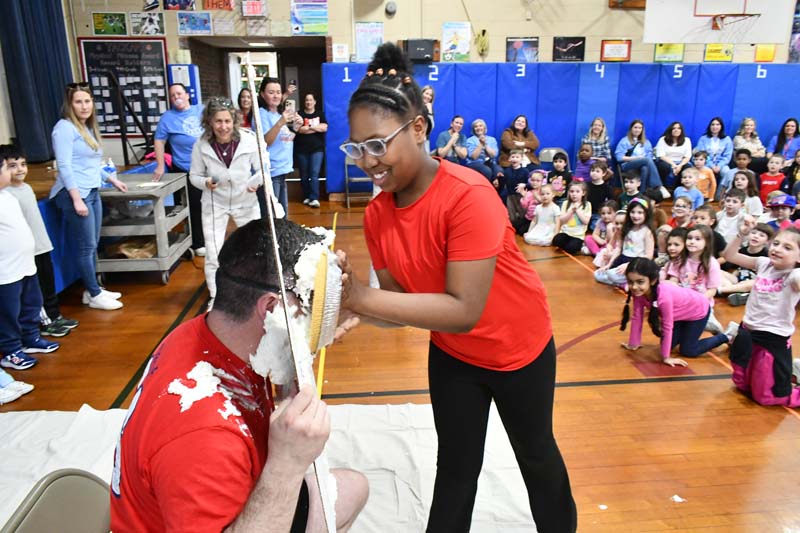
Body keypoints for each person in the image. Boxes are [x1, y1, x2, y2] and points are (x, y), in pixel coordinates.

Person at [337, 43, 577, 532]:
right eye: (357, 147)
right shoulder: (379, 214)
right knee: (456, 467)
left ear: (420, 129)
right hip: (454, 356)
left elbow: (465, 307)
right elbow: (397, 304)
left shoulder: (468, 194)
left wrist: (363, 297)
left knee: (536, 459)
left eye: (378, 144)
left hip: (518, 351)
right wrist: (345, 303)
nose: (368, 160)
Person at [110, 219, 368, 531]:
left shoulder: (200, 335)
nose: (313, 320)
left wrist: (304, 346)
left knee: (352, 486)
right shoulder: (204, 439)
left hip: (222, 485)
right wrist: (286, 466)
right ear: (272, 309)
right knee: (350, 490)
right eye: (308, 306)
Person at [50, 82, 127, 311]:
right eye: (78, 102)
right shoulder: (63, 128)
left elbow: (91, 164)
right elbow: (64, 166)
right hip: (75, 194)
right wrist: (76, 199)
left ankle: (93, 289)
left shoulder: (87, 128)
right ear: (70, 105)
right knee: (85, 248)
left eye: (87, 101)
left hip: (92, 190)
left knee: (92, 245)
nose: (84, 106)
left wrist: (111, 179)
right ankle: (94, 293)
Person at [189, 97, 262, 306]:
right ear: (210, 122)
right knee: (213, 251)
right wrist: (205, 182)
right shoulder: (201, 144)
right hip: (215, 202)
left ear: (234, 121)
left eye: (227, 121)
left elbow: (264, 169)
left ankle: (255, 290)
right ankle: (216, 295)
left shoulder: (248, 140)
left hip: (245, 200)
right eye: (218, 121)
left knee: (254, 248)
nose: (223, 127)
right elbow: (193, 176)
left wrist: (255, 182)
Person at [2, 145, 78, 337]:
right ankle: (45, 322)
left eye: (23, 164)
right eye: (12, 166)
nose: (20, 169)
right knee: (37, 292)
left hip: (42, 245)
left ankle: (54, 315)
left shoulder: (26, 188)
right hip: (29, 253)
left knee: (48, 283)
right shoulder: (8, 195)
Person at [723, 221, 800, 407]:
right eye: (776, 243)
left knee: (767, 397)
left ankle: (795, 372)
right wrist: (741, 234)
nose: (778, 249)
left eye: (787, 247)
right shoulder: (764, 264)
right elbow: (729, 255)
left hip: (772, 338)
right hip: (748, 331)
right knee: (741, 383)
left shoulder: (794, 275)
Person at [0, 148, 59, 371]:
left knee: (31, 304)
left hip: (26, 265)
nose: (12, 171)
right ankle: (11, 350)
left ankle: (30, 338)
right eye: (7, 168)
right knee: (8, 312)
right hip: (6, 272)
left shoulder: (9, 196)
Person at [620, 258, 734, 368]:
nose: (634, 287)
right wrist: (633, 343)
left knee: (688, 350)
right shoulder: (638, 293)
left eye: (640, 282)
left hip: (698, 311)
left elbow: (667, 325)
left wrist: (666, 358)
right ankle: (698, 328)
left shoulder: (663, 296)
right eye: (631, 282)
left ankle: (728, 335)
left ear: (653, 280)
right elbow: (637, 316)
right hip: (680, 315)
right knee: (668, 345)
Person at [153, 83, 205, 254]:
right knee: (192, 207)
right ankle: (196, 243)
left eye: (179, 93)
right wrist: (160, 165)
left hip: (206, 166)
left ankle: (209, 239)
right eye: (173, 95)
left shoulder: (201, 110)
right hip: (184, 168)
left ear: (187, 95)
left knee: (210, 205)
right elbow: (159, 141)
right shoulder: (167, 118)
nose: (177, 98)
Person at [258, 77, 303, 216]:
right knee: (273, 217)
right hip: (271, 171)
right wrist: (280, 122)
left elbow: (286, 139)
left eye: (278, 92)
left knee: (282, 215)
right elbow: (265, 141)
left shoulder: (278, 114)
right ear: (262, 94)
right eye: (271, 92)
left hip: (281, 171)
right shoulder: (261, 114)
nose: (276, 95)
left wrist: (296, 128)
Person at [595, 196, 655, 288]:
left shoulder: (647, 232)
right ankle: (624, 283)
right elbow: (619, 248)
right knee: (597, 274)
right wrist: (610, 264)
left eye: (640, 212)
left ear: (646, 214)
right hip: (623, 258)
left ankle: (628, 282)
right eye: (633, 212)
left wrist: (629, 265)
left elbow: (649, 256)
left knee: (611, 275)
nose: (635, 216)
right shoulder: (627, 229)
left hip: (637, 263)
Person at [716, 220, 772, 306]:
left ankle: (721, 290)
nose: (756, 236)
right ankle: (735, 292)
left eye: (761, 235)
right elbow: (736, 267)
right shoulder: (743, 250)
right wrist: (733, 276)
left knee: (754, 283)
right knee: (718, 272)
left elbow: (765, 278)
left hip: (753, 283)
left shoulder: (766, 255)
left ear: (767, 241)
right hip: (739, 280)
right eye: (753, 233)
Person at [294, 93, 328, 208]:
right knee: (304, 175)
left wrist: (308, 127)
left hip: (317, 149)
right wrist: (315, 127)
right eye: (306, 100)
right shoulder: (299, 114)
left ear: (314, 102)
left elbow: (324, 128)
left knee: (314, 173)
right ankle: (306, 196)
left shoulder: (320, 114)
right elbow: (299, 130)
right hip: (301, 149)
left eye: (310, 100)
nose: (308, 102)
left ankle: (314, 198)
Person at [614, 119, 664, 194]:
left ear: (642, 130)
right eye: (635, 127)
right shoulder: (625, 141)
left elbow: (650, 157)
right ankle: (658, 186)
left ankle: (641, 194)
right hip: (628, 165)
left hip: (642, 165)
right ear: (631, 129)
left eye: (640, 128)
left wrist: (644, 159)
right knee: (646, 160)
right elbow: (619, 158)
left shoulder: (646, 142)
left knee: (645, 168)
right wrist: (637, 158)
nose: (637, 130)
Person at [694, 117, 733, 200]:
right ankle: (705, 194)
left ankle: (719, 196)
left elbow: (727, 156)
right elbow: (701, 154)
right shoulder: (703, 139)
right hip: (706, 163)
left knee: (727, 172)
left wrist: (719, 165)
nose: (715, 126)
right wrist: (711, 166)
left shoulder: (727, 139)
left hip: (721, 164)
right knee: (706, 171)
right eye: (713, 124)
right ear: (710, 126)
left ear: (721, 126)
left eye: (717, 124)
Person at [465, 118, 505, 191]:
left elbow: (494, 155)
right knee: (487, 171)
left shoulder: (492, 140)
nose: (478, 128)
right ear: (474, 129)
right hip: (475, 163)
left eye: (480, 126)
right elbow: (474, 157)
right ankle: (487, 191)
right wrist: (480, 144)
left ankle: (497, 194)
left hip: (490, 162)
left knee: (499, 171)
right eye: (476, 126)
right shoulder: (470, 140)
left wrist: (485, 144)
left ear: (484, 128)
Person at [552, 182, 591, 255]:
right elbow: (562, 220)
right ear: (568, 192)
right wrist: (570, 211)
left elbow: (586, 222)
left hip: (578, 235)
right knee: (556, 241)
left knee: (571, 248)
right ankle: (568, 244)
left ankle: (580, 244)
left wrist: (577, 210)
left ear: (583, 193)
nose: (574, 194)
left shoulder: (587, 205)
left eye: (577, 191)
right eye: (572, 191)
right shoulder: (565, 203)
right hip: (566, 232)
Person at [654, 121, 692, 187]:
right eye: (674, 128)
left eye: (678, 128)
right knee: (664, 167)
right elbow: (661, 155)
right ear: (670, 130)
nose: (676, 130)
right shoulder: (662, 139)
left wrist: (680, 166)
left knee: (687, 167)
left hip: (680, 162)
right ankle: (662, 187)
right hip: (665, 161)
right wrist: (673, 165)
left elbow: (687, 156)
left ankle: (678, 188)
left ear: (681, 130)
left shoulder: (687, 140)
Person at [421, 85, 435, 154]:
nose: (428, 97)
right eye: (426, 93)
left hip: (425, 141)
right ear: (422, 93)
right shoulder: (414, 106)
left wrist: (429, 112)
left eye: (430, 95)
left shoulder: (430, 109)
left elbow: (431, 127)